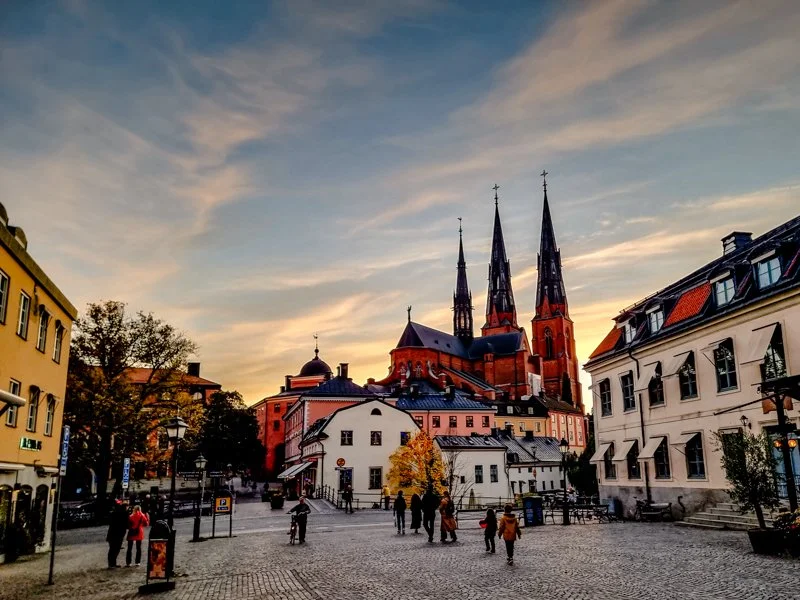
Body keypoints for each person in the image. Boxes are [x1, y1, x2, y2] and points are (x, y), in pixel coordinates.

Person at [106, 500, 129, 568]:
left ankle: (112, 564)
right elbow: (127, 525)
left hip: (112, 533)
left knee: (112, 549)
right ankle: (112, 564)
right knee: (116, 549)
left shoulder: (115, 513)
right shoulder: (125, 514)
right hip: (119, 534)